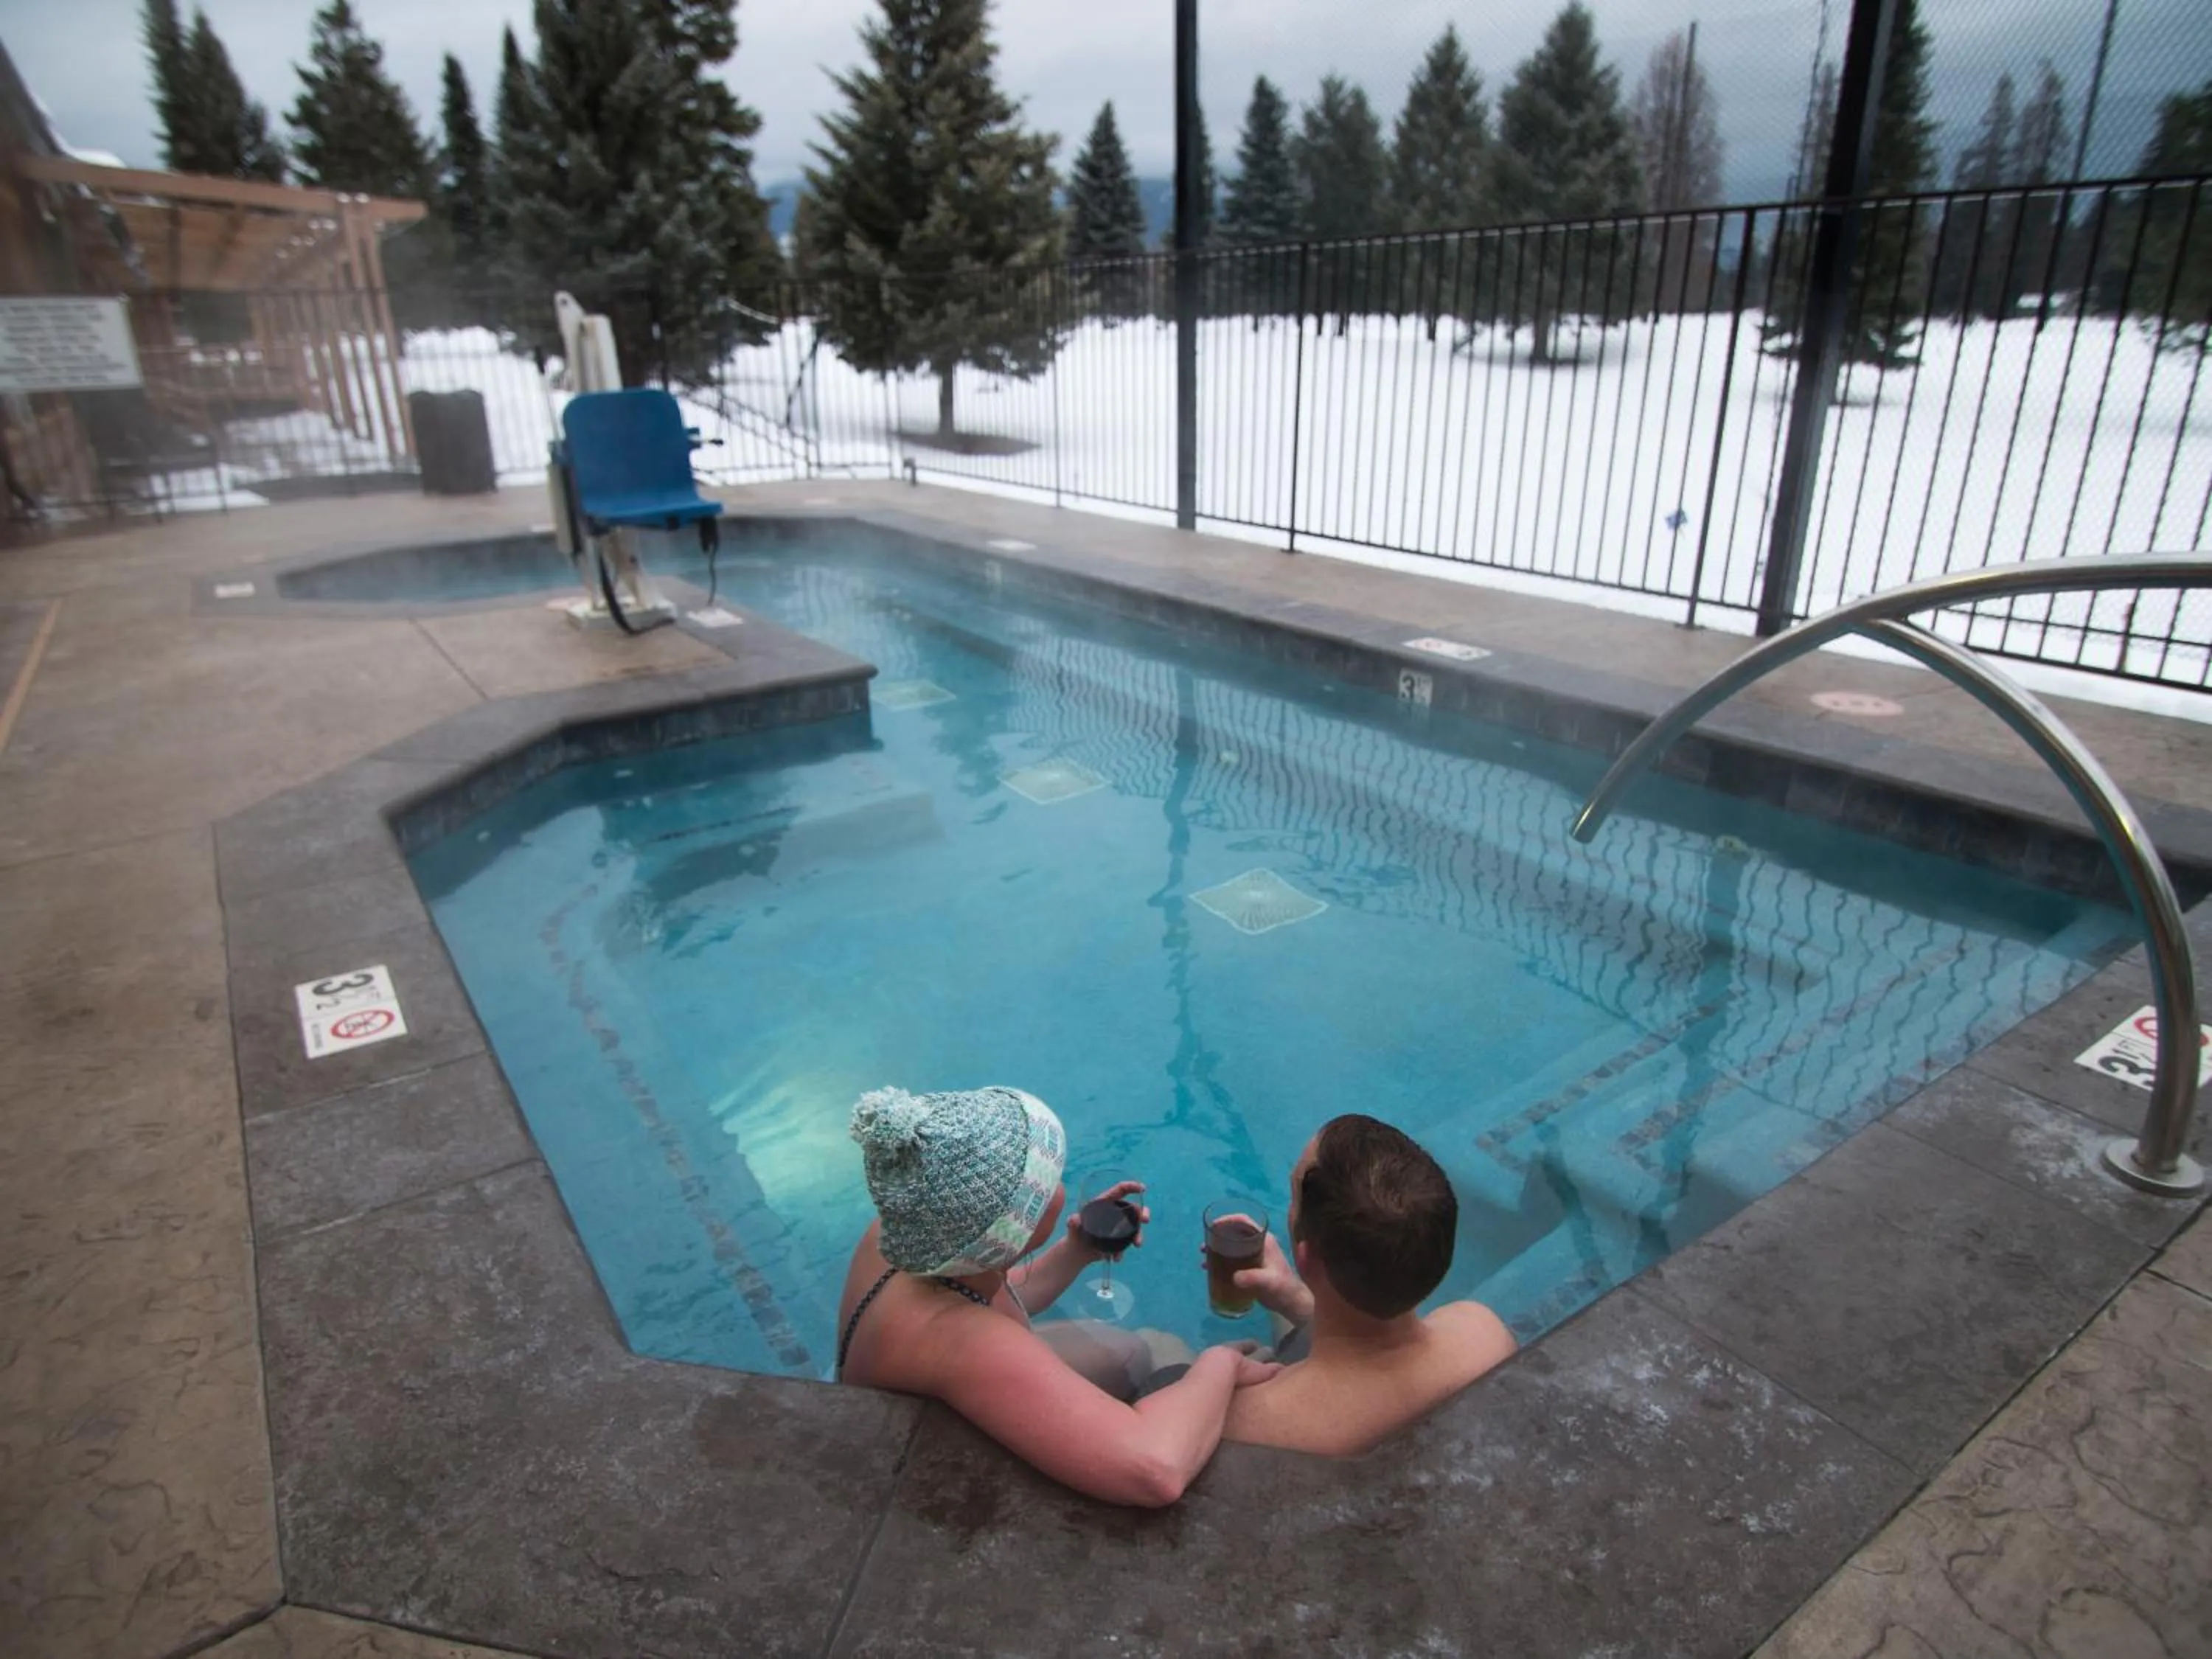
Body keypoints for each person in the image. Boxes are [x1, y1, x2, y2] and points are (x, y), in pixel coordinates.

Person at [836, 1085, 1278, 1507]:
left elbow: (995, 1294)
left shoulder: (913, 1236)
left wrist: (1076, 1252)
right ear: (1017, 1223)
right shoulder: (961, 1340)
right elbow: (1156, 1470)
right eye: (1051, 1178)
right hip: (923, 1450)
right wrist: (1219, 1363)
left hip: (957, 1368)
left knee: (1133, 1348)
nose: (1063, 1185)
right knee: (1164, 1354)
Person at [1220, 1114, 1518, 1457]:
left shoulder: (1248, 1422)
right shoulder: (1481, 1334)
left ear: (1305, 1257)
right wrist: (1294, 1299)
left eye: (1294, 1193)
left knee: (1159, 1345)